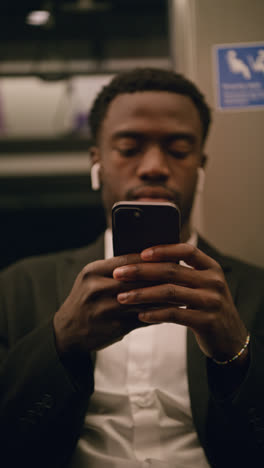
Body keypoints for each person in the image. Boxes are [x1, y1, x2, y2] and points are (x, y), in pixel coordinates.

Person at [0, 68, 264, 468]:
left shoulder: (256, 290)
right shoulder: (18, 287)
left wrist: (237, 356)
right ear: (97, 161)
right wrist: (60, 341)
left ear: (200, 165)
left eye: (178, 150)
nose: (155, 166)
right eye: (128, 147)